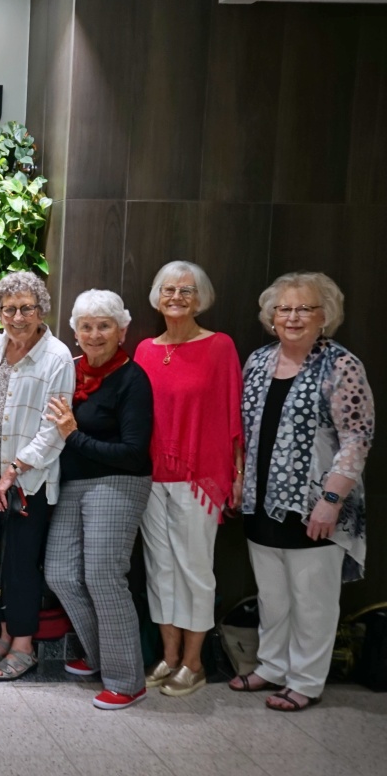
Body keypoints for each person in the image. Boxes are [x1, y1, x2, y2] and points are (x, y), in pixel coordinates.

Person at [228, 272, 374, 712]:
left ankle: (307, 680)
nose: (292, 317)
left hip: (316, 505)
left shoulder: (341, 365)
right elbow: (243, 431)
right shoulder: (257, 361)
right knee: (272, 595)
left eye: (304, 308)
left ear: (325, 315)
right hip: (260, 500)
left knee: (313, 599)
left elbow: (357, 437)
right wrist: (237, 479)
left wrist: (331, 500)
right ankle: (272, 665)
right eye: (283, 309)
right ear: (271, 316)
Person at [134, 261, 244, 698]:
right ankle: (169, 655)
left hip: (199, 474)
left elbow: (232, 413)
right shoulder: (144, 349)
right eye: (168, 289)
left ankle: (195, 664)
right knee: (159, 568)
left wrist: (235, 472)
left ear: (201, 298)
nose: (176, 297)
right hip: (151, 475)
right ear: (157, 296)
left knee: (194, 570)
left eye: (186, 290)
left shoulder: (219, 346)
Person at [43, 290, 153, 709]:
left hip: (119, 482)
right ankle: (100, 657)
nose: (94, 334)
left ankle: (127, 680)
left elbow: (133, 452)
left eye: (104, 325)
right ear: (74, 333)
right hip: (73, 483)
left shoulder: (133, 378)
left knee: (104, 577)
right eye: (85, 326)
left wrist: (74, 434)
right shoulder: (70, 371)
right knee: (61, 575)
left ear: (121, 330)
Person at [0, 271, 74, 681]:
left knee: (22, 563)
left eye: (26, 308)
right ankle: (6, 635)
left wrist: (13, 472)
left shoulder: (57, 357)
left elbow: (54, 429)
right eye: (8, 309)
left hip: (28, 479)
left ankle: (25, 646)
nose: (17, 317)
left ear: (40, 309)